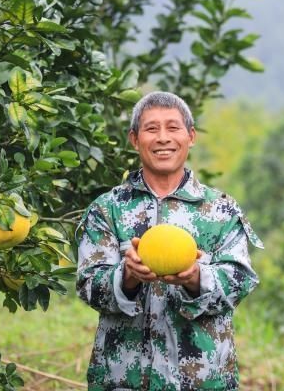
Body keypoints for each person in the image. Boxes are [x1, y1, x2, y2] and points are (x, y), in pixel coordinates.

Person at [76, 91, 263, 390]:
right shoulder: (108, 208)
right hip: (124, 379)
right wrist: (126, 276)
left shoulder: (220, 209)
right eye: (151, 129)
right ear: (135, 140)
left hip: (202, 381)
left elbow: (239, 283)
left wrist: (196, 277)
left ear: (190, 137)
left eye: (173, 128)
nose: (163, 138)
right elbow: (88, 286)